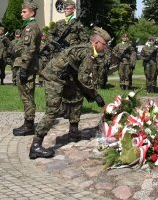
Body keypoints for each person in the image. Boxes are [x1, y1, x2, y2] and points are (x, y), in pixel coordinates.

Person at [29, 28, 109, 159]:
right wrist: (95, 95)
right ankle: (36, 146)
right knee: (52, 111)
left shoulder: (87, 49)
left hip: (65, 77)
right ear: (96, 43)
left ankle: (73, 131)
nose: (105, 47)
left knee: (77, 94)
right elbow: (83, 78)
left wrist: (88, 93)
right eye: (104, 44)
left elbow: (78, 77)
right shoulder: (88, 53)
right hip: (54, 78)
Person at [12, 2, 42, 136]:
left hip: (27, 66)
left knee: (27, 95)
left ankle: (29, 125)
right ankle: (28, 123)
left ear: (32, 12)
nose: (21, 14)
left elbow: (29, 50)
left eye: (24, 11)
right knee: (26, 94)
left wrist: (23, 68)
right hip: (26, 65)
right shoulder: (28, 26)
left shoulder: (31, 27)